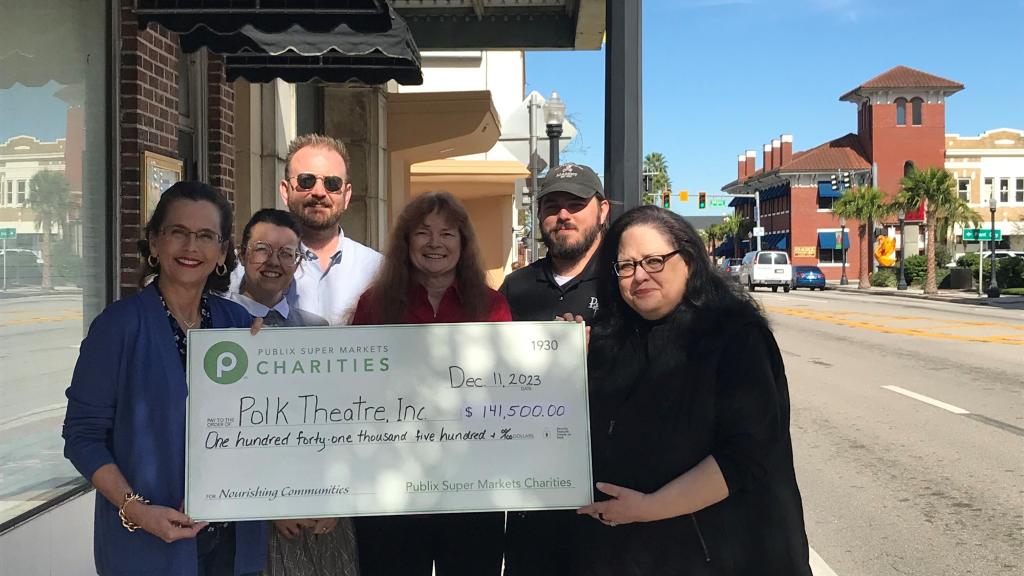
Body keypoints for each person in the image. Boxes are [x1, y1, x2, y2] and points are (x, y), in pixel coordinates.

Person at [574, 205, 812, 575]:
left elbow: (745, 455)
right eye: (625, 266)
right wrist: (563, 358)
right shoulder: (610, 339)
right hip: (633, 553)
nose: (639, 276)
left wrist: (648, 507)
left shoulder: (736, 336)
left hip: (722, 553)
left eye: (654, 261)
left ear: (688, 259)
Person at [63, 181, 267, 576]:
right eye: (178, 233)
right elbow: (83, 437)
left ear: (222, 252)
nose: (192, 247)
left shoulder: (239, 326)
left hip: (233, 543)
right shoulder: (118, 327)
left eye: (206, 236)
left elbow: (267, 420)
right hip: (148, 544)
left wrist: (269, 356)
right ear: (155, 244)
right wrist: (136, 510)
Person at [350, 191, 511, 576]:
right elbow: (355, 389)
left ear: (464, 244)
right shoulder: (373, 305)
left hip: (472, 490)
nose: (435, 243)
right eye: (423, 232)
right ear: (406, 243)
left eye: (448, 234)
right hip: (392, 489)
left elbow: (509, 388)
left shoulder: (492, 306)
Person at [231, 209, 359, 576]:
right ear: (242, 254)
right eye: (262, 250)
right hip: (253, 517)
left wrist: (337, 497)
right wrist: (269, 504)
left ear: (298, 262)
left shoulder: (317, 330)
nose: (274, 262)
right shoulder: (220, 329)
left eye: (287, 253)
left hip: (323, 513)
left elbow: (338, 422)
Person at [499, 162, 609, 575]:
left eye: (576, 204)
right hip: (534, 488)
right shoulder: (517, 287)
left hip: (607, 485)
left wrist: (598, 350)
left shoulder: (624, 281)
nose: (563, 215)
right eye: (552, 205)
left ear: (602, 210)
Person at [231, 134, 382, 325]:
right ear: (286, 191)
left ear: (347, 194)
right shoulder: (241, 270)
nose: (319, 192)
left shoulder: (377, 271)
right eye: (306, 181)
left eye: (332, 183)